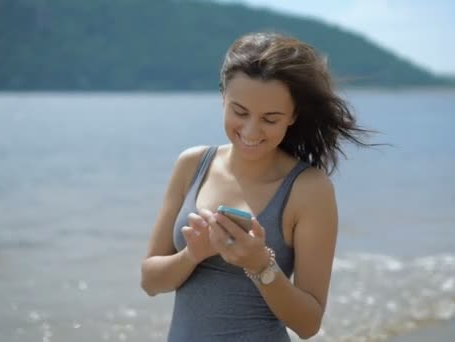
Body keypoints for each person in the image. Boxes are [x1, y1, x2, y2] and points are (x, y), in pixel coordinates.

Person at [141, 32, 374, 341]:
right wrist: (192, 255)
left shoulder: (309, 190)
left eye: (270, 119)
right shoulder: (192, 164)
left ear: (293, 115)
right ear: (223, 96)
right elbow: (150, 282)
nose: (251, 131)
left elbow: (308, 324)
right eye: (239, 112)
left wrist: (260, 264)